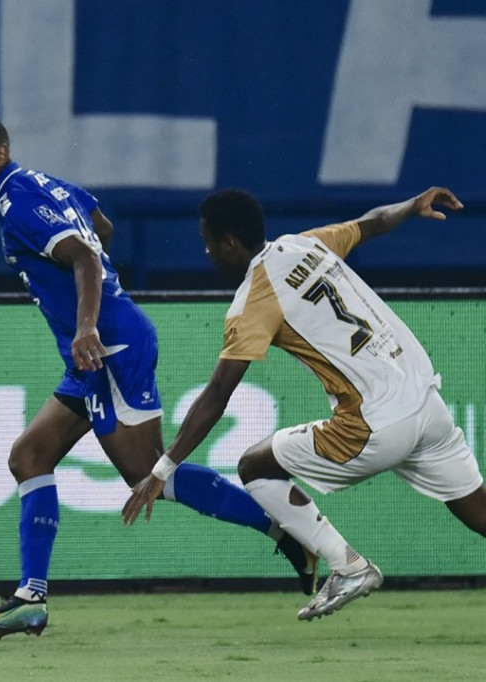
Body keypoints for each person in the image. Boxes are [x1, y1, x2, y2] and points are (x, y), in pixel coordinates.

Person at [0, 114, 316, 639]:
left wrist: (87, 325)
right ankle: (31, 599)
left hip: (108, 347)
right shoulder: (41, 184)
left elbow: (84, 256)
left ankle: (284, 530)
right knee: (28, 456)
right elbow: (101, 227)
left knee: (147, 474)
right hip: (98, 351)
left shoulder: (18, 202)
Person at [122, 186, 486, 621]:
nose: (207, 252)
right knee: (479, 510)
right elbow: (372, 221)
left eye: (209, 242)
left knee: (254, 466)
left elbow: (218, 395)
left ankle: (348, 565)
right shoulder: (305, 243)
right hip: (426, 402)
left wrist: (161, 470)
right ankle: (345, 566)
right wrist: (410, 206)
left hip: (375, 423)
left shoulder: (253, 298)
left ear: (230, 243)